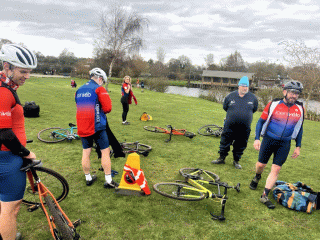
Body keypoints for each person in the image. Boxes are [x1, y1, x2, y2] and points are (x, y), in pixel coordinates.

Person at [0, 44, 37, 240]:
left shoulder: (6, 87)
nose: (27, 76)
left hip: (5, 156)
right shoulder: (3, 92)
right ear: (7, 66)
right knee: (11, 209)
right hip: (6, 157)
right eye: (23, 71)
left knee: (2, 205)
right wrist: (25, 153)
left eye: (29, 72)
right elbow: (4, 133)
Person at [250, 81, 304, 209]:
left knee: (276, 169)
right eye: (291, 92)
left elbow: (300, 128)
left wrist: (298, 146)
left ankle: (264, 195)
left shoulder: (300, 108)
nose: (294, 96)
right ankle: (257, 176)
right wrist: (257, 138)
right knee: (261, 165)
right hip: (269, 139)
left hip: (285, 143)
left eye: (296, 93)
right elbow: (260, 122)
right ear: (285, 92)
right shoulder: (273, 104)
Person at [75, 68, 118, 188]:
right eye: (103, 81)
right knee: (105, 151)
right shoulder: (99, 88)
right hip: (97, 126)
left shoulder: (79, 90)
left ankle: (88, 178)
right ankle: (109, 180)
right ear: (100, 79)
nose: (102, 83)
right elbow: (108, 108)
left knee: (86, 152)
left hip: (82, 125)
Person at [211, 76, 258, 169]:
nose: (245, 88)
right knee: (225, 141)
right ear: (239, 86)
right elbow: (225, 107)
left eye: (246, 86)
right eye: (243, 86)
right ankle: (221, 158)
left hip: (244, 128)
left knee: (241, 144)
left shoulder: (253, 98)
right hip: (230, 126)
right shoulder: (230, 96)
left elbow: (254, 109)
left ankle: (236, 161)